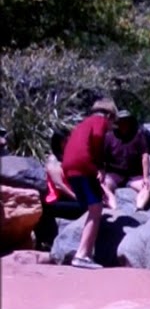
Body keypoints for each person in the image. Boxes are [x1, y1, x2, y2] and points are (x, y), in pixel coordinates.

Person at [59, 97, 117, 268]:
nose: (110, 126)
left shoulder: (83, 123)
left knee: (92, 206)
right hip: (84, 165)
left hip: (69, 167)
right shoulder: (100, 121)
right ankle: (82, 255)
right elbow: (98, 137)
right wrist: (99, 166)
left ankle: (84, 253)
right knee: (96, 208)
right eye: (113, 120)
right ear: (108, 114)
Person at [34, 130, 84, 250]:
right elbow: (58, 185)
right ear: (60, 142)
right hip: (52, 203)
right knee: (85, 207)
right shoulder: (53, 160)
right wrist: (77, 197)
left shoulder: (66, 158)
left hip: (62, 199)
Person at [101, 109, 150, 211]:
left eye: (126, 120)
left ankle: (139, 208)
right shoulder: (109, 136)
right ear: (117, 122)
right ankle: (114, 209)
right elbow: (102, 158)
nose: (124, 124)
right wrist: (101, 174)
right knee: (102, 186)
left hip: (133, 176)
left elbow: (145, 156)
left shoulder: (138, 135)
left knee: (149, 186)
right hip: (114, 174)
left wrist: (146, 177)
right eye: (121, 121)